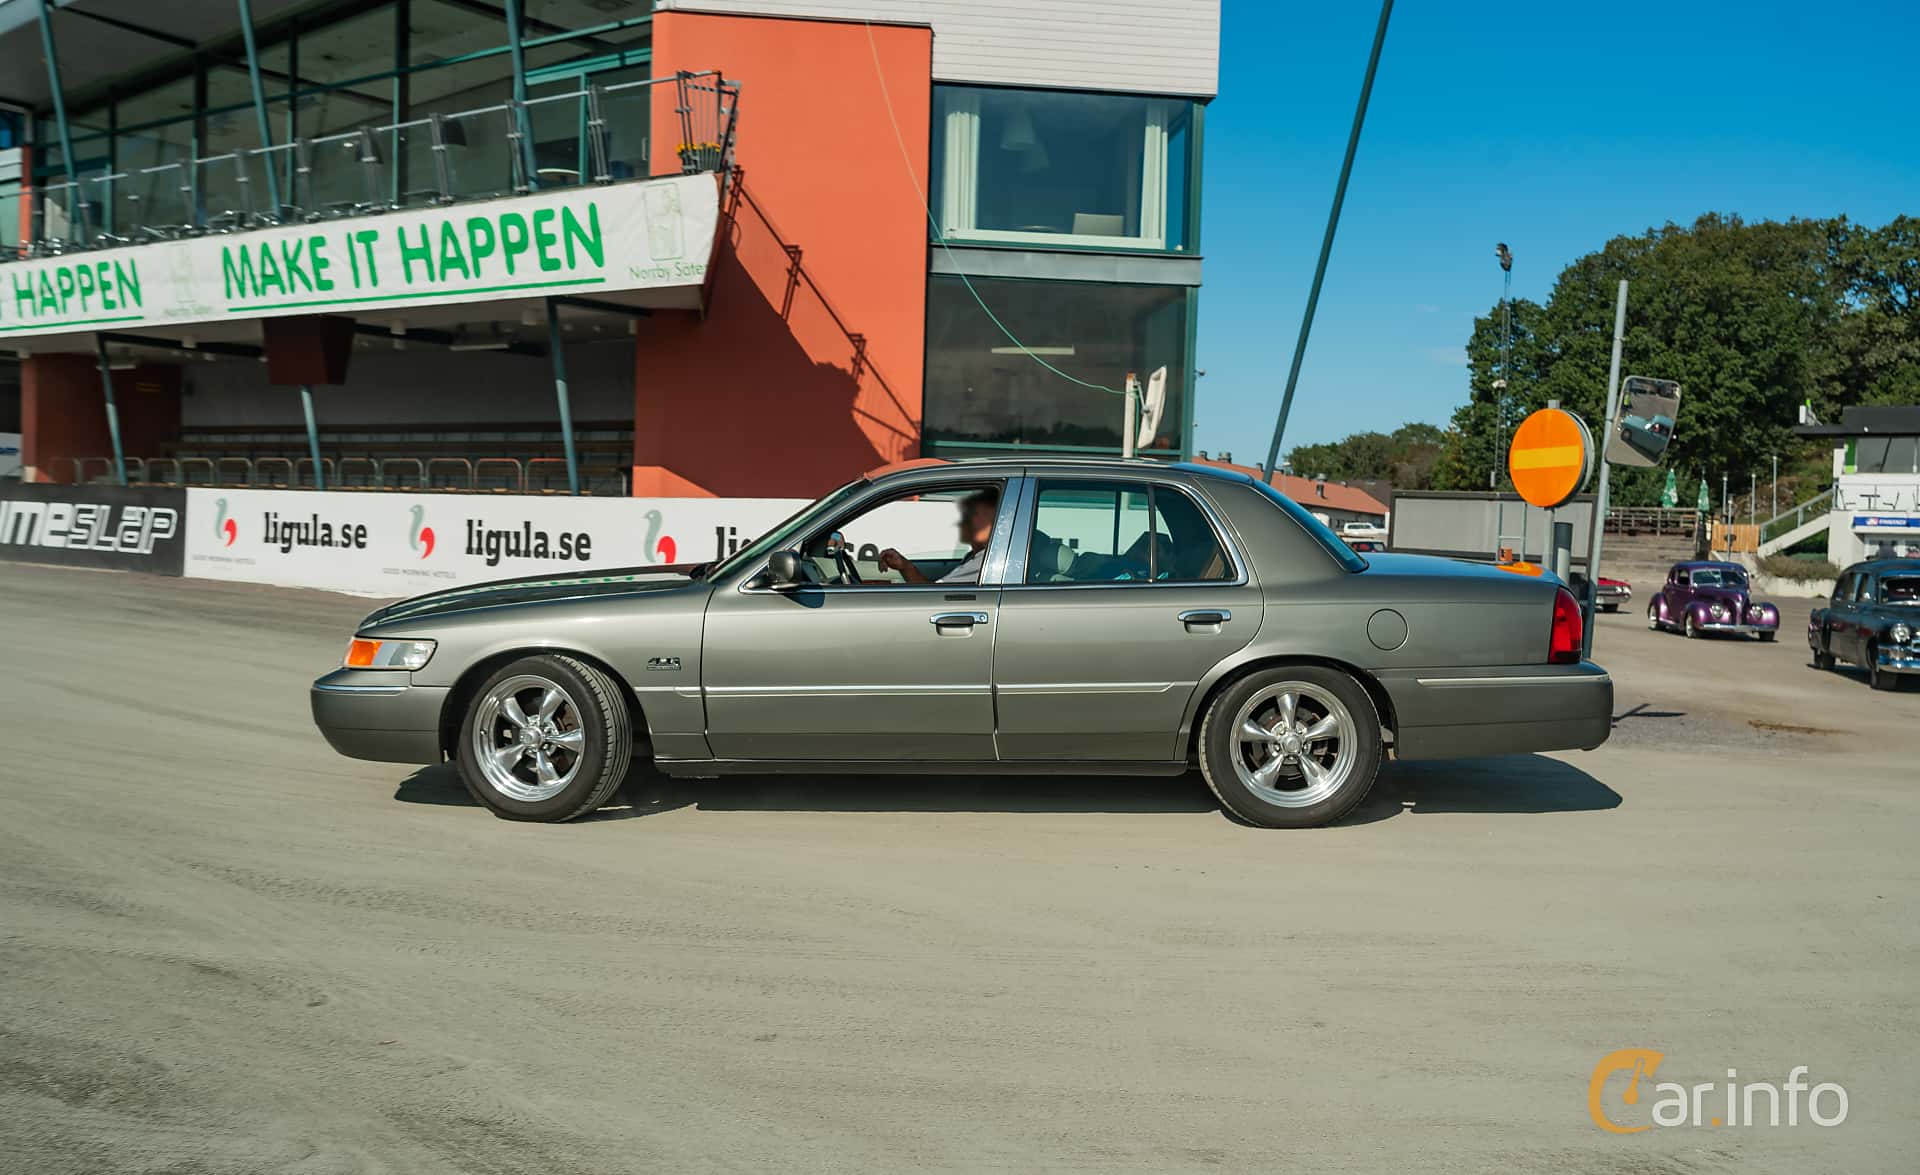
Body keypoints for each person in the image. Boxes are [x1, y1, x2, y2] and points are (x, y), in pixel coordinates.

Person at [877, 488, 998, 584]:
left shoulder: (984, 562)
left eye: (974, 514)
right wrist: (904, 566)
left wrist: (906, 567)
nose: (962, 521)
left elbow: (933, 596)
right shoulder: (974, 556)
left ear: (994, 522)